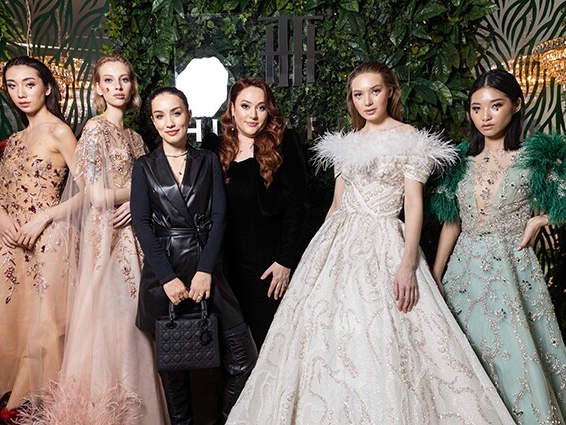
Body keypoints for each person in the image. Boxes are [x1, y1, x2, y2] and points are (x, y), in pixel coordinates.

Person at [226, 61, 515, 424]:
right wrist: (317, 258)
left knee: (383, 337)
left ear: (390, 92)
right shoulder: (347, 143)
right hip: (338, 240)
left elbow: (413, 205)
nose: (367, 101)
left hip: (385, 239)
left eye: (375, 91)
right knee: (324, 338)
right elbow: (336, 204)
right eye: (359, 94)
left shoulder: (410, 138)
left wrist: (408, 263)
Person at [17, 55, 169, 424]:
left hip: (137, 235)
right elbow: (98, 196)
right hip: (109, 239)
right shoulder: (95, 130)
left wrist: (138, 203)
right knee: (115, 322)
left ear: (132, 86)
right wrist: (142, 195)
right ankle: (110, 412)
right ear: (98, 88)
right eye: (109, 80)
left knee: (139, 321)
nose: (118, 87)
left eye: (124, 79)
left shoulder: (135, 137)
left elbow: (147, 190)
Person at [431, 68, 566, 424]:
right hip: (463, 274)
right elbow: (451, 221)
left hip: (513, 272)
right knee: (463, 359)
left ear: (516, 105)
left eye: (495, 105)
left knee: (513, 355)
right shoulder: (459, 161)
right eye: (476, 108)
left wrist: (539, 220)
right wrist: (436, 274)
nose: (485, 116)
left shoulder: (535, 158)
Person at [0, 56, 77, 423]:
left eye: (29, 83)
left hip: (48, 243)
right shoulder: (13, 140)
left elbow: (90, 191)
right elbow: (1, 194)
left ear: (47, 87)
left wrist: (45, 216)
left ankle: (36, 406)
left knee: (44, 332)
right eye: (12, 85)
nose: (21, 93)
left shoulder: (59, 132)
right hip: (10, 246)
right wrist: (0, 217)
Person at [130, 87, 258, 424]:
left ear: (188, 115)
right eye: (160, 116)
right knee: (175, 377)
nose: (169, 122)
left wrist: (205, 270)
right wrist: (168, 278)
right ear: (153, 121)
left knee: (244, 362)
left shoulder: (208, 160)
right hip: (165, 274)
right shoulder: (144, 166)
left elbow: (219, 217)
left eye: (176, 113)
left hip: (207, 268)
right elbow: (142, 224)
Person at [218, 77, 308, 349]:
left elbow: (298, 207)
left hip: (268, 266)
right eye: (245, 106)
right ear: (232, 109)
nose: (253, 115)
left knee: (270, 344)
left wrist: (284, 261)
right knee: (236, 351)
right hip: (229, 266)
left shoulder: (283, 144)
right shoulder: (216, 149)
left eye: (261, 107)